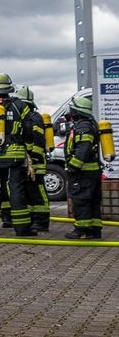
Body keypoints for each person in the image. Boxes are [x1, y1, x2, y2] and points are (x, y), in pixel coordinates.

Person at [0, 73, 35, 236]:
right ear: (9, 87)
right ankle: (22, 229)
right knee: (16, 190)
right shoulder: (20, 106)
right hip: (14, 156)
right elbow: (29, 128)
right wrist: (29, 149)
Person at [63, 95, 103, 239]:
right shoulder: (90, 124)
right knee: (93, 200)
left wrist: (74, 166)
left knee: (81, 199)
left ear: (77, 111)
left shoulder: (83, 127)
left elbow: (83, 148)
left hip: (83, 172)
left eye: (72, 110)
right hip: (92, 171)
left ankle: (81, 230)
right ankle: (95, 229)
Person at [16, 85, 50, 232]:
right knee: (28, 191)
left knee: (37, 191)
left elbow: (38, 140)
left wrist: (33, 158)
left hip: (36, 162)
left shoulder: (34, 118)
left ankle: (42, 221)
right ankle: (31, 219)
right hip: (27, 161)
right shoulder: (25, 117)